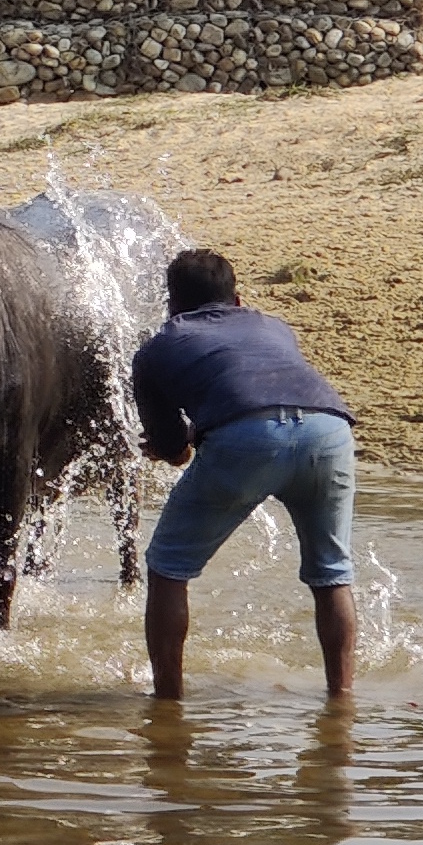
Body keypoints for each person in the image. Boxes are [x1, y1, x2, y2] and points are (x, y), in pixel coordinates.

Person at [129, 248, 358, 700]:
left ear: (171, 304)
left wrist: (170, 448)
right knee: (332, 573)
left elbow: (175, 449)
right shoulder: (273, 325)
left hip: (246, 441)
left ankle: (168, 704)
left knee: (168, 567)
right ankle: (342, 701)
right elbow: (260, 387)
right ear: (237, 298)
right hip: (329, 432)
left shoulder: (158, 347)